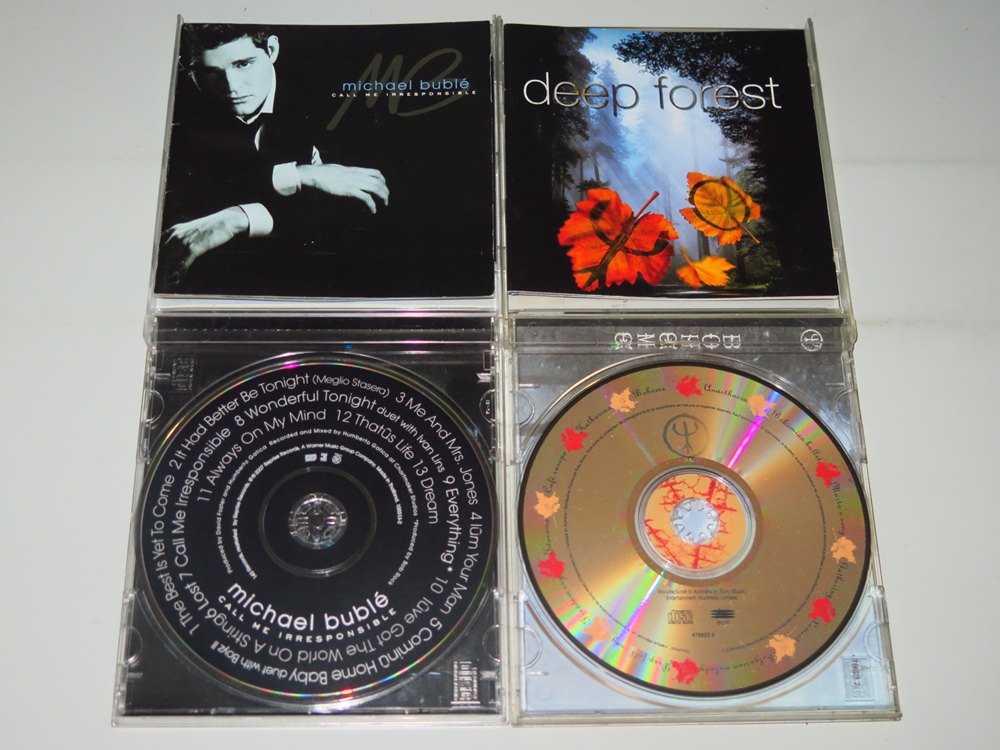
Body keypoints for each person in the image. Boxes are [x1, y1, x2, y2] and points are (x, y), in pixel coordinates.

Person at [158, 24, 389, 293]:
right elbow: (184, 203)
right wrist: (301, 175)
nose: (232, 87)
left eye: (243, 64)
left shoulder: (337, 99)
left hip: (337, 282)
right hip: (228, 287)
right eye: (209, 72)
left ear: (271, 49)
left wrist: (238, 217)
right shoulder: (175, 111)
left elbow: (358, 210)